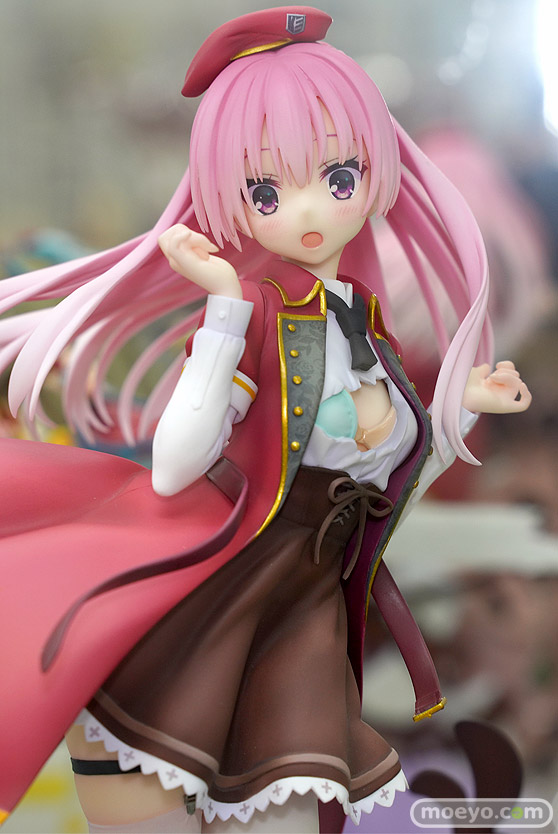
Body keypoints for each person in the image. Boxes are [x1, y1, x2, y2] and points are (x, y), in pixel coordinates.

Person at [0, 7, 531, 833]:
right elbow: (175, 467)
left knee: (280, 800)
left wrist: (456, 412)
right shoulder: (255, 313)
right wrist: (222, 312)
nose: (308, 210)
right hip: (221, 596)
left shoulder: (364, 322)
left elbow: (380, 485)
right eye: (265, 192)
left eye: (339, 178)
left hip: (302, 606)